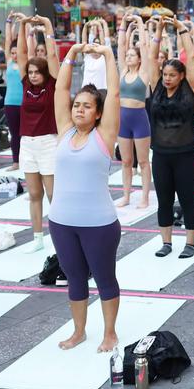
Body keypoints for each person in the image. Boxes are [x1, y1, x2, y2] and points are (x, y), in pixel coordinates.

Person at [51, 41, 122, 352]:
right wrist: (70, 56)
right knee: (75, 279)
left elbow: (116, 95)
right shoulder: (65, 132)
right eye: (77, 104)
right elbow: (59, 92)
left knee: (105, 279)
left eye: (87, 106)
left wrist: (107, 55)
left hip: (99, 224)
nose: (79, 109)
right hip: (61, 222)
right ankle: (79, 331)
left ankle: (109, 333)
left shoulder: (104, 136)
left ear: (98, 114)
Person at [146, 18, 194, 258]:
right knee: (164, 200)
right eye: (165, 74)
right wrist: (158, 31)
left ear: (181, 76)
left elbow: (192, 57)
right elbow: (150, 59)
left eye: (171, 75)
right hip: (161, 155)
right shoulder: (156, 87)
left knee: (188, 199)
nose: (167, 78)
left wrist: (182, 29)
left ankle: (190, 243)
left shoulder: (189, 89)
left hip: (186, 154)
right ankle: (166, 242)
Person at [17, 15, 60, 252]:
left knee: (54, 194)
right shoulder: (25, 84)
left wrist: (48, 26)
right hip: (28, 143)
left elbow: (52, 56)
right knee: (35, 194)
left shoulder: (52, 84)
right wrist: (23, 26)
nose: (32, 75)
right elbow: (22, 54)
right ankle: (37, 239)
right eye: (30, 71)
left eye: (36, 72)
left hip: (48, 142)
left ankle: (60, 236)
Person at [114, 15, 153, 209]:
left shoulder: (143, 72)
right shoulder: (122, 72)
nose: (128, 57)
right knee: (126, 160)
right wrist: (123, 23)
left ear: (138, 59)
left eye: (132, 55)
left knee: (144, 161)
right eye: (127, 55)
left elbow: (145, 47)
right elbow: (120, 46)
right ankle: (127, 196)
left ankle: (145, 196)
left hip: (139, 119)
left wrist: (139, 22)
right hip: (123, 118)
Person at [3, 16, 24, 170]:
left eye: (17, 52)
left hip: (25, 103)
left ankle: (27, 160)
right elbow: (8, 41)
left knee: (26, 134)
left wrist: (24, 25)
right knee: (14, 134)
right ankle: (16, 162)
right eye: (12, 52)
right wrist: (9, 22)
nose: (15, 55)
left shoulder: (24, 62)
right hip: (10, 103)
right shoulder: (9, 62)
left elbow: (26, 45)